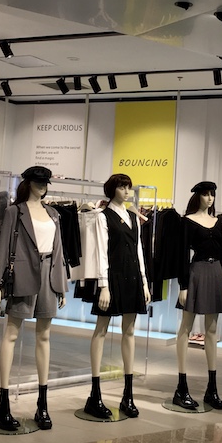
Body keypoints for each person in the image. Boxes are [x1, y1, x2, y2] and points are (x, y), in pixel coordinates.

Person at [0, 166, 68, 431]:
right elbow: (2, 248)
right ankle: (3, 404)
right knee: (11, 334)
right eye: (38, 182)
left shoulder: (53, 213)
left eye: (45, 182)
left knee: (44, 336)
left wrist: (62, 285)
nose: (43, 186)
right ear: (29, 183)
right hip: (22, 275)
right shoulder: (15, 211)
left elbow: (59, 251)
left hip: (48, 277)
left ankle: (42, 404)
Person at [84, 173, 151, 419]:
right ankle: (95, 394)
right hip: (112, 278)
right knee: (101, 329)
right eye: (122, 187)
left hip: (133, 278)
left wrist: (144, 282)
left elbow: (139, 251)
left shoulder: (133, 217)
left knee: (129, 331)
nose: (127, 191)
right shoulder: (103, 217)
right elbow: (101, 252)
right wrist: (103, 285)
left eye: (128, 187)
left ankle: (128, 394)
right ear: (113, 190)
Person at [172, 181, 222, 410]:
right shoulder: (187, 221)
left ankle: (212, 389)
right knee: (186, 327)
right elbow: (181, 254)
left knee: (212, 330)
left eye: (212, 194)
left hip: (215, 273)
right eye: (205, 194)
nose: (210, 198)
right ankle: (181, 387)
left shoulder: (218, 221)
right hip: (196, 273)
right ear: (198, 197)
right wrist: (183, 285)